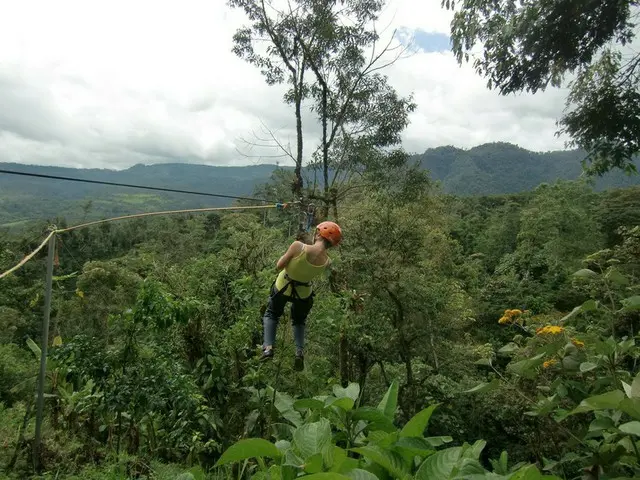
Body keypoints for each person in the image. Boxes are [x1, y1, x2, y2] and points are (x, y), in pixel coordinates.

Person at [260, 221, 342, 371]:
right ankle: (299, 352)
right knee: (299, 321)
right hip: (304, 293)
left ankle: (268, 348)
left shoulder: (298, 246)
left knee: (272, 314)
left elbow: (279, 265)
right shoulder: (327, 261)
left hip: (282, 286)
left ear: (318, 234)